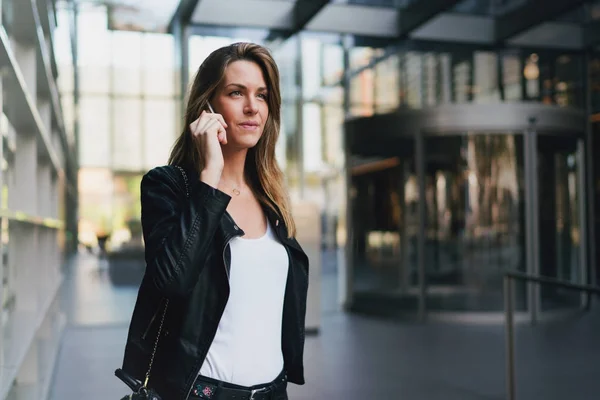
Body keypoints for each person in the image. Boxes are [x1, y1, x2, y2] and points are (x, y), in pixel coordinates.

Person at [118, 42, 309, 400]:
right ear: (207, 106)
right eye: (236, 93)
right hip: (202, 393)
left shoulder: (271, 197)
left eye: (262, 95)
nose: (253, 107)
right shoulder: (169, 187)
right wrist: (211, 177)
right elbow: (172, 281)